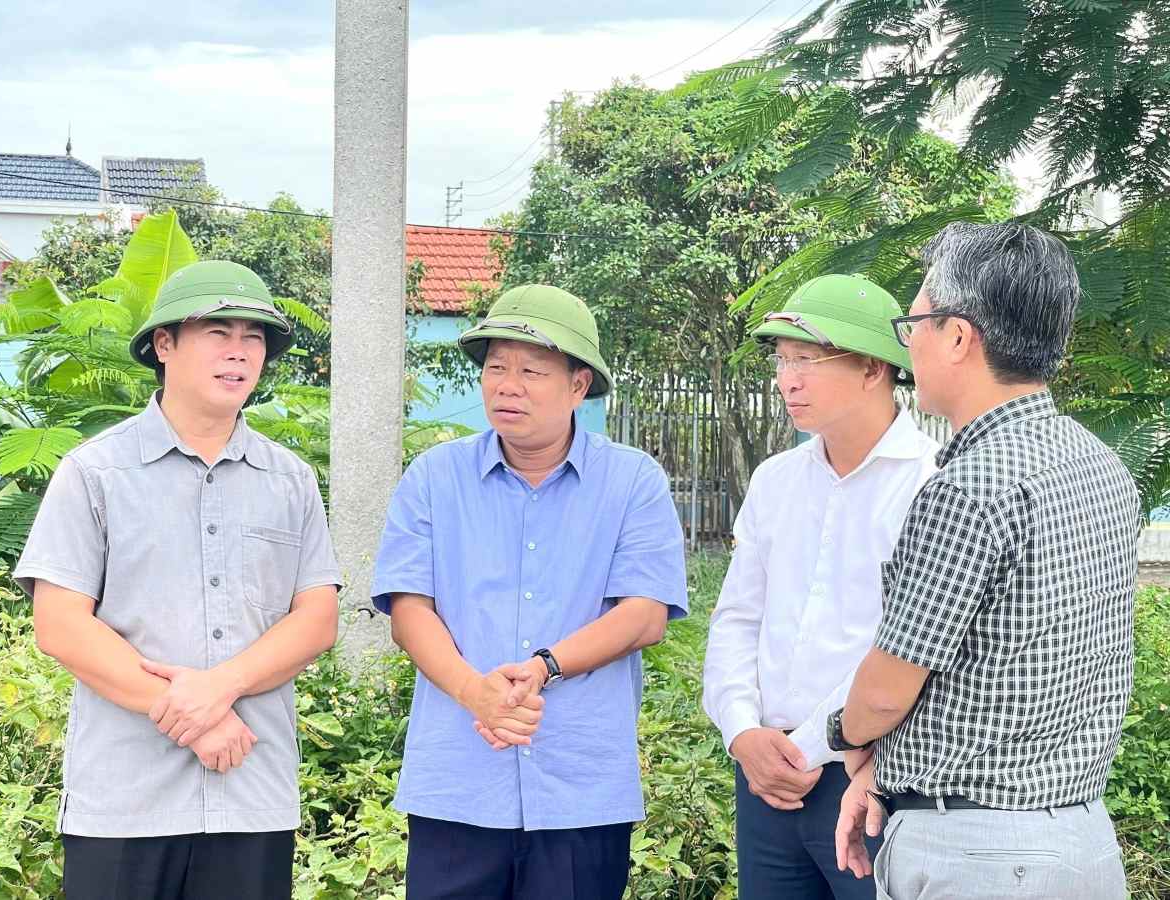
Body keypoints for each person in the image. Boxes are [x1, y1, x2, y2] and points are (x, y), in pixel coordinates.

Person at [830, 222, 1142, 900]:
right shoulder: (1103, 465)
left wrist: (847, 737)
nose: (906, 342)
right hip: (1080, 841)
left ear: (958, 336)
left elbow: (887, 689)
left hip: (981, 856)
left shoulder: (971, 486)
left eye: (910, 322)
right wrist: (882, 772)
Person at [15, 260, 342, 900]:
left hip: (252, 792)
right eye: (216, 332)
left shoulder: (291, 480)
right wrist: (193, 716)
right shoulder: (95, 472)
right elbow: (60, 624)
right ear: (164, 344)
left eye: (254, 338)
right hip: (124, 800)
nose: (238, 352)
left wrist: (219, 689)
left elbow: (317, 619)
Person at [371, 284, 688, 900]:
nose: (507, 385)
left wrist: (545, 667)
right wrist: (475, 693)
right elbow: (409, 610)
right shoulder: (434, 479)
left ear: (577, 386)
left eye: (531, 371)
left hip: (580, 788)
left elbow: (645, 615)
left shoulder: (632, 481)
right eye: (496, 368)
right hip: (458, 784)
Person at [703, 274, 938, 899]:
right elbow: (737, 618)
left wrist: (806, 747)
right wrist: (742, 732)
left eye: (807, 360)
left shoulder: (932, 484)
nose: (788, 380)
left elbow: (908, 645)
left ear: (871, 369)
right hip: (761, 775)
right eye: (782, 361)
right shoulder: (774, 480)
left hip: (871, 780)